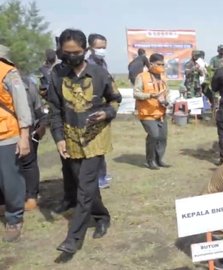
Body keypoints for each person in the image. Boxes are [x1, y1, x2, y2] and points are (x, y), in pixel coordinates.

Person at [48, 29, 121, 254]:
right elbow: (54, 110)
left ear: (85, 50)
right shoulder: (56, 75)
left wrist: (107, 113)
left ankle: (74, 238)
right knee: (84, 185)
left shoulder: (99, 73)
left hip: (95, 138)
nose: (71, 56)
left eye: (76, 52)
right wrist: (59, 138)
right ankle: (102, 217)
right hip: (71, 139)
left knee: (84, 188)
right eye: (66, 52)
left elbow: (115, 99)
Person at [0, 44, 32, 242]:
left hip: (6, 134)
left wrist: (24, 136)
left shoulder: (8, 73)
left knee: (9, 178)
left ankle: (14, 218)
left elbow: (21, 105)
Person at [133, 53, 170, 170]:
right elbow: (136, 93)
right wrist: (151, 95)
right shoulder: (142, 77)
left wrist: (166, 101)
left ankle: (159, 159)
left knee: (162, 137)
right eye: (159, 64)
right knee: (154, 135)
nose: (161, 66)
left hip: (161, 113)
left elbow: (167, 93)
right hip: (147, 113)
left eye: (163, 64)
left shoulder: (163, 77)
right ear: (151, 64)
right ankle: (151, 160)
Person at [18, 75, 48, 211]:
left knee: (28, 163)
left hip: (29, 128)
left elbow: (39, 111)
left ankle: (31, 197)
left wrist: (42, 126)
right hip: (5, 129)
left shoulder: (28, 84)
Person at [87, 33, 112, 189]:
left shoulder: (103, 63)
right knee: (93, 145)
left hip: (103, 109)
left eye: (104, 47)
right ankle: (97, 177)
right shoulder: (88, 65)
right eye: (99, 47)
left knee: (101, 144)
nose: (102, 50)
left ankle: (102, 174)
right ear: (90, 47)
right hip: (91, 109)